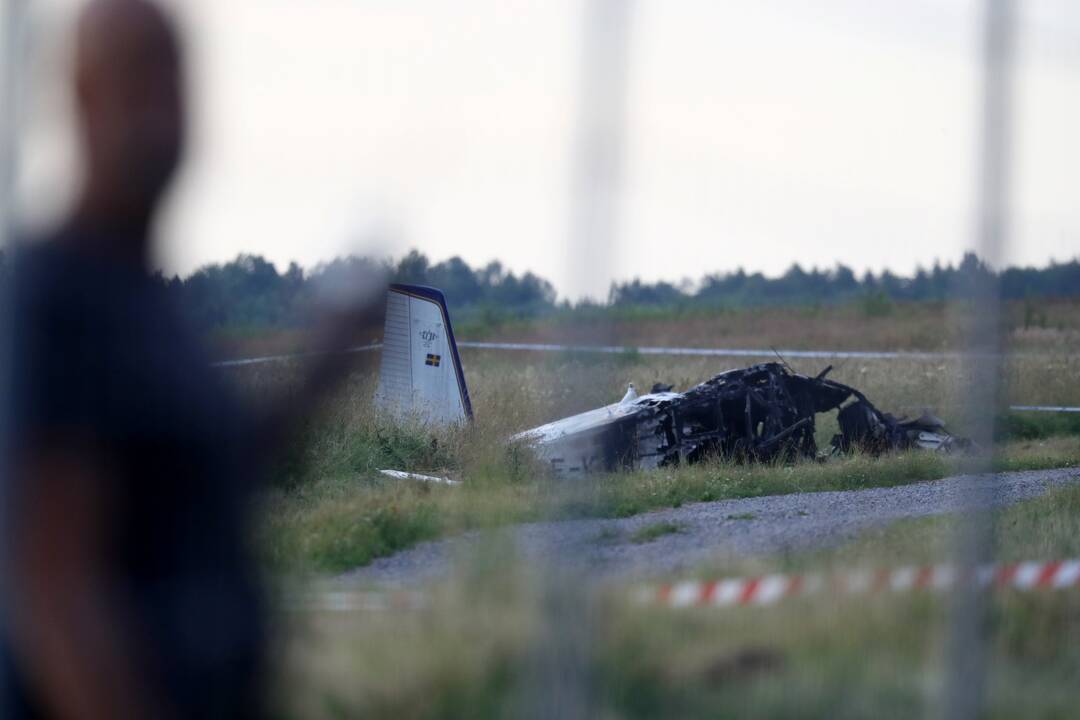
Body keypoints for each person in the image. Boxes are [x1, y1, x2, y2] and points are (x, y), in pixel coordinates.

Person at [0, 1, 380, 717]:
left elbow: (211, 480)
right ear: (82, 96)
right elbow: (54, 587)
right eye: (139, 81)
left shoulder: (151, 298)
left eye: (175, 81)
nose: (164, 114)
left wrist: (321, 371)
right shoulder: (57, 294)